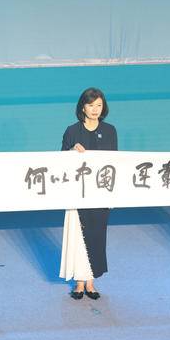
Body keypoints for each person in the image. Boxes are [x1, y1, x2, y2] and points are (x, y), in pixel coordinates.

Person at [60, 87, 118, 300]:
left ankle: (91, 281)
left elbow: (116, 162)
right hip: (77, 193)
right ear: (82, 107)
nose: (95, 109)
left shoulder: (110, 130)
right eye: (91, 105)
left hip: (101, 192)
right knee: (78, 235)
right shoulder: (72, 131)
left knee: (97, 235)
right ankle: (79, 282)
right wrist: (71, 152)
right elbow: (59, 162)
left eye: (99, 105)